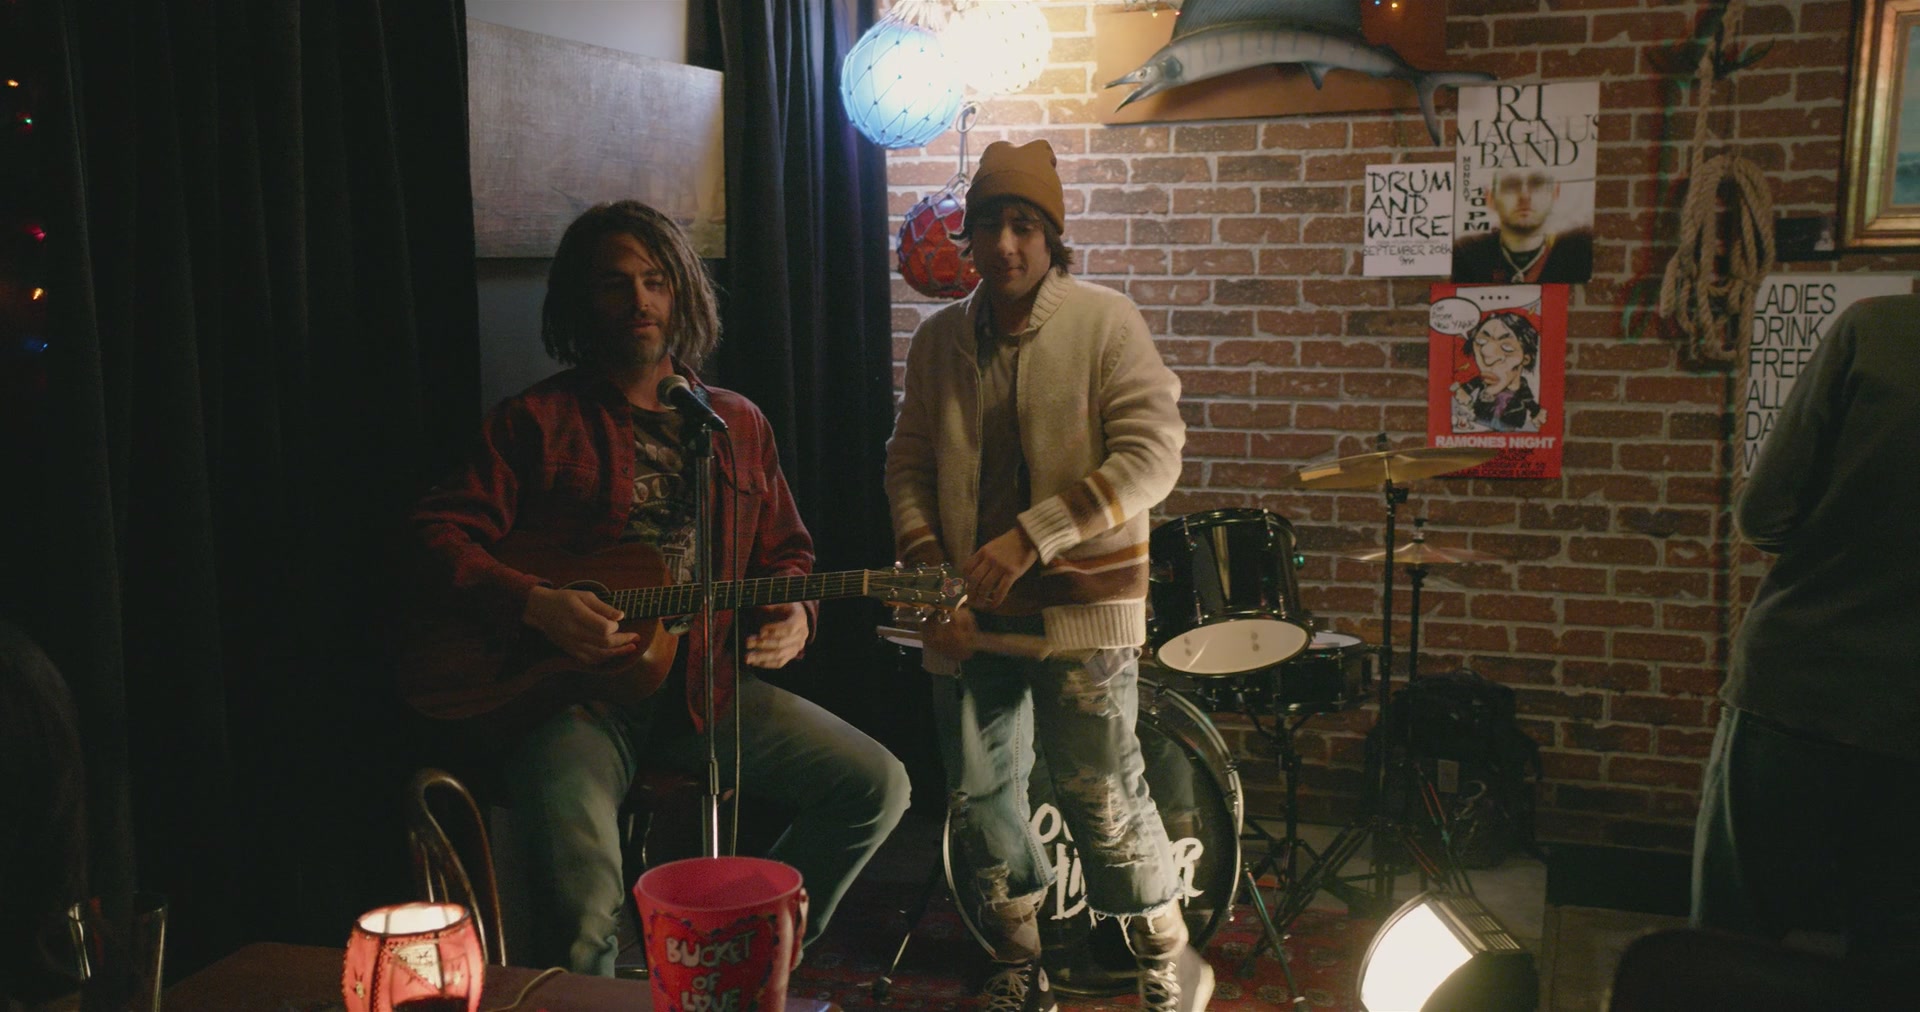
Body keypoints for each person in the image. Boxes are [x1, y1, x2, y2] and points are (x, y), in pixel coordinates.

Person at [410, 201, 909, 975]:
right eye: (615, 284)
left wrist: (799, 613)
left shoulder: (736, 424)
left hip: (705, 690)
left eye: (655, 281)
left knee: (878, 786)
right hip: (571, 704)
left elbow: (787, 552)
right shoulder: (536, 422)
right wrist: (537, 604)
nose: (639, 301)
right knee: (586, 910)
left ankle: (737, 958)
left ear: (682, 292)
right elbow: (435, 536)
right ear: (583, 301)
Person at [885, 139, 1209, 1012]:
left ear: (1052, 236)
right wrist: (930, 571)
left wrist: (1034, 537)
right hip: (968, 616)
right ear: (969, 235)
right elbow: (907, 462)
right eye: (989, 224)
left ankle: (1167, 955)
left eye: (1024, 225)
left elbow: (1155, 455)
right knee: (981, 799)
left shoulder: (1106, 321)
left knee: (1103, 795)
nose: (1005, 245)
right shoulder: (939, 340)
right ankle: (1017, 962)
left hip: (1079, 612)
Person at [1691, 294, 1920, 983]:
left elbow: (1764, 513)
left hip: (1804, 685)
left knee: (1736, 942)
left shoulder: (1878, 329)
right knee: (1894, 957)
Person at [1451, 168, 1593, 284]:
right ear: (1490, 198)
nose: (1525, 196)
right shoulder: (1465, 255)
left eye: (1537, 183)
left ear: (1555, 193)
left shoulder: (1579, 250)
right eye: (1510, 185)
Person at [1450, 311, 1546, 433]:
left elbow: (1529, 401)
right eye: (1481, 342)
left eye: (1507, 347)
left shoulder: (1522, 388)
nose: (1487, 360)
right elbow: (1471, 384)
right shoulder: (1484, 379)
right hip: (1481, 423)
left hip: (1508, 426)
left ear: (1525, 359)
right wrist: (1463, 391)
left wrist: (1537, 413)